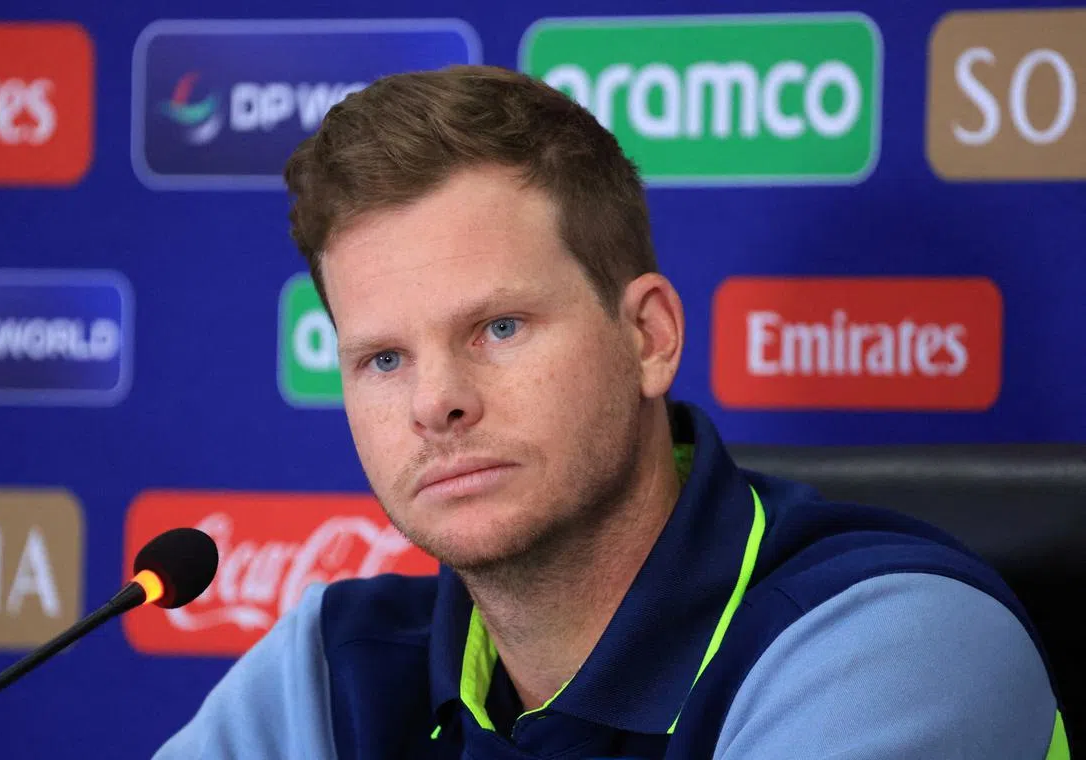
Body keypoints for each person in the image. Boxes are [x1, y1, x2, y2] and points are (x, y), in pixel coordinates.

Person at [152, 65, 1068, 759]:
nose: (436, 403)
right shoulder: (328, 675)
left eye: (499, 327)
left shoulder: (897, 646)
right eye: (383, 359)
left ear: (649, 338)